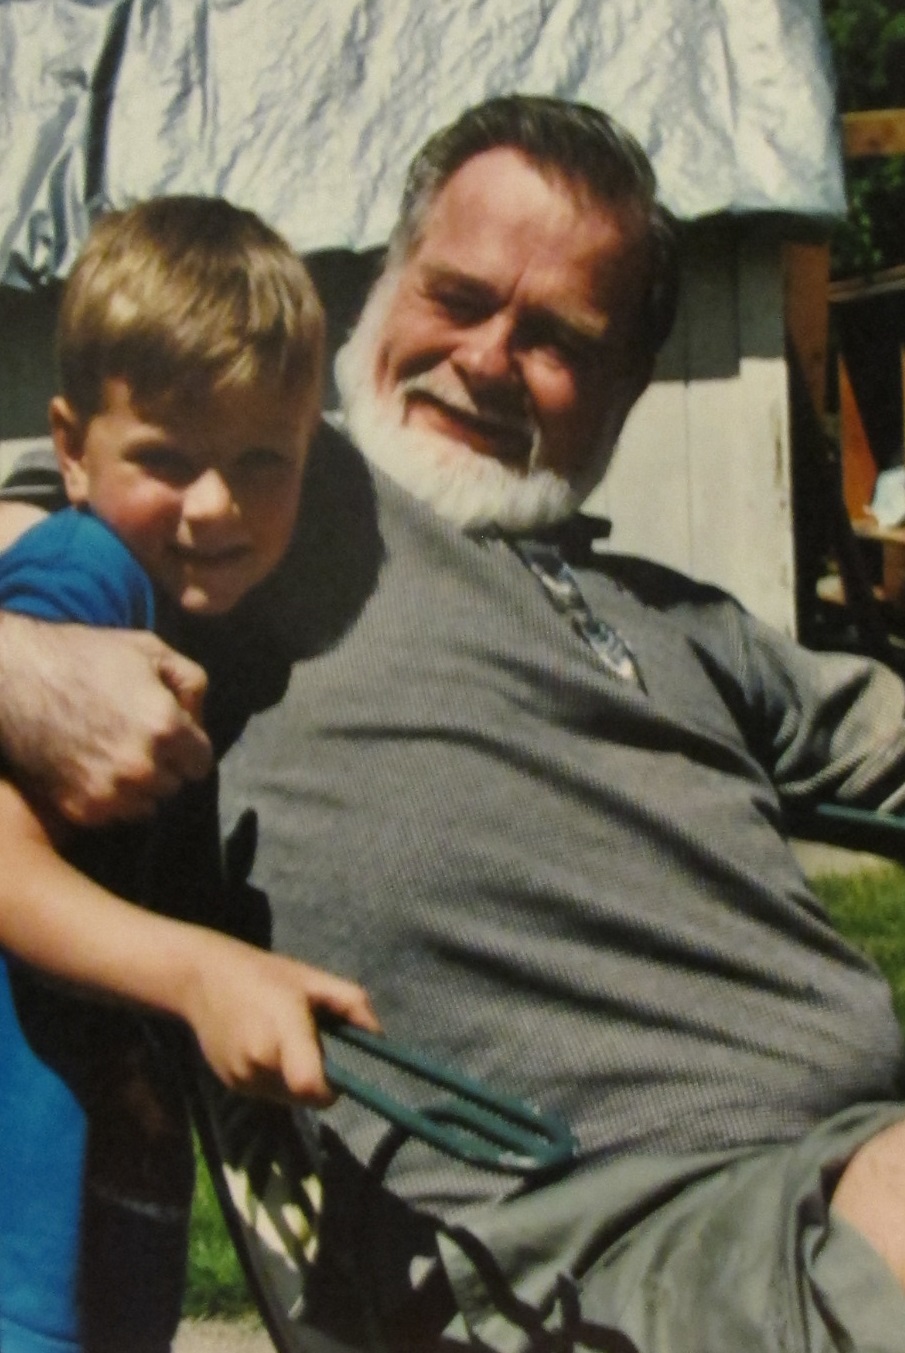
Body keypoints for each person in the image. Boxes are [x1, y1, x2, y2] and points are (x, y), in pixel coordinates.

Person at [2, 95, 905, 1352]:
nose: (483, 359)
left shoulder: (687, 623)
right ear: (385, 285)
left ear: (624, 390)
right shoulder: (262, 497)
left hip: (856, 1157)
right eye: (457, 297)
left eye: (554, 338)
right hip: (596, 1234)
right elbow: (72, 507)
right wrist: (20, 660)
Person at [0, 195, 377, 1353]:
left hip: (107, 1208)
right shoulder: (85, 576)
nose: (215, 506)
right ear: (71, 450)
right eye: (164, 459)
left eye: (262, 460)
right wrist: (199, 975)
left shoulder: (200, 614)